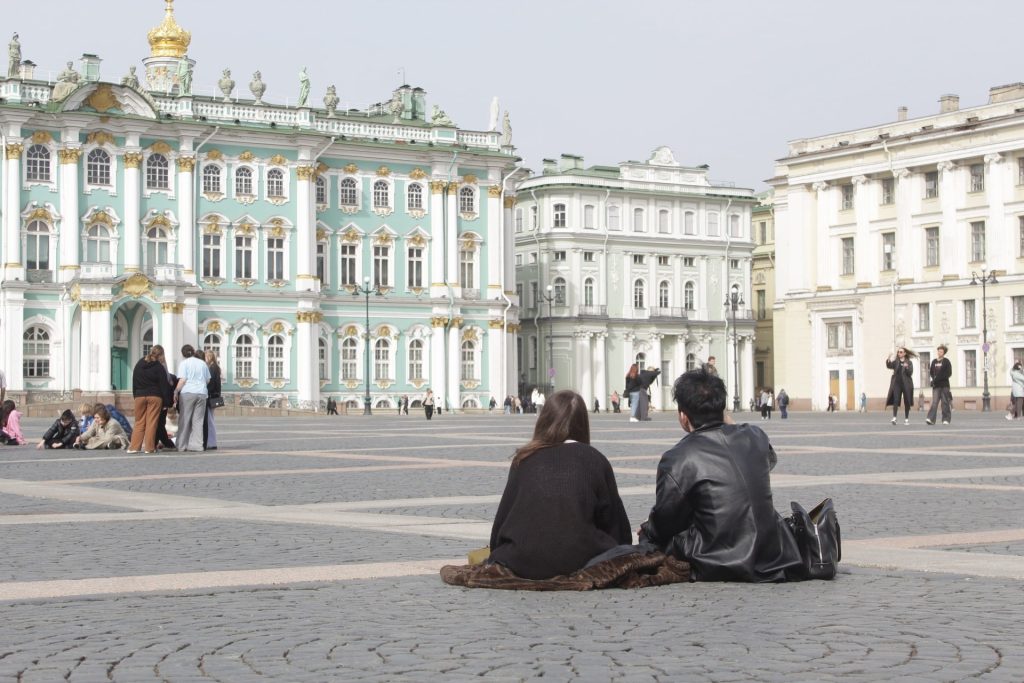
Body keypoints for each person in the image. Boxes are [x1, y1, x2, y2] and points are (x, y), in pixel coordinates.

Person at [638, 368, 802, 582]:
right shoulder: (755, 436)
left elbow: (666, 522)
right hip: (773, 552)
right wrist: (729, 422)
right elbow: (768, 461)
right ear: (723, 408)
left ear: (683, 416)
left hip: (717, 558)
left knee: (650, 538)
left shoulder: (677, 457)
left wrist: (646, 530)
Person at [487, 390, 632, 580]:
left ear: (544, 420)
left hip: (522, 560)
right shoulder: (595, 459)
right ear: (583, 423)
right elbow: (616, 524)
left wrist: (499, 553)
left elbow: (502, 520)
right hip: (583, 558)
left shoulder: (524, 459)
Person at [127, 345, 168, 454]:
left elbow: (134, 381)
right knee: (151, 422)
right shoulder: (159, 366)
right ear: (161, 355)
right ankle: (149, 448)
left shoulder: (139, 363)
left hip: (140, 395)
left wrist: (135, 396)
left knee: (139, 422)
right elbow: (164, 385)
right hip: (155, 396)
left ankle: (134, 447)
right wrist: (167, 402)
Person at [173, 344, 210, 452]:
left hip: (188, 393)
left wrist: (176, 391)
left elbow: (183, 380)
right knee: (198, 421)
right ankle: (197, 445)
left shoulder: (184, 363)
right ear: (193, 351)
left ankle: (181, 445)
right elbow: (208, 380)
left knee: (184, 419)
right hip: (202, 393)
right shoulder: (203, 363)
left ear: (183, 354)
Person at [885, 347, 916, 425]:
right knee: (896, 400)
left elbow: (910, 373)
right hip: (897, 384)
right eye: (898, 352)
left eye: (901, 352)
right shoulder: (896, 362)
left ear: (905, 353)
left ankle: (906, 419)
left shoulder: (909, 362)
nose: (899, 353)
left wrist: (906, 367)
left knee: (907, 401)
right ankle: (894, 418)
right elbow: (889, 366)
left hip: (906, 384)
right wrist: (888, 358)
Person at [926, 344, 953, 426]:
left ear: (944, 353)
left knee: (945, 402)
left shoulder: (946, 361)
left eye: (941, 351)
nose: (939, 352)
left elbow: (949, 373)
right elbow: (931, 372)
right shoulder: (934, 361)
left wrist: (938, 378)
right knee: (934, 402)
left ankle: (946, 419)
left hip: (944, 385)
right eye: (938, 351)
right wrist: (934, 379)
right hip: (936, 386)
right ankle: (931, 419)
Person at [203, 350, 222, 450]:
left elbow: (211, 383)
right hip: (214, 396)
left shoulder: (212, 368)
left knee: (209, 420)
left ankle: (211, 442)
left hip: (210, 396)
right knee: (210, 419)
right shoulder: (215, 367)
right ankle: (211, 441)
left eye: (205, 356)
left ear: (209, 357)